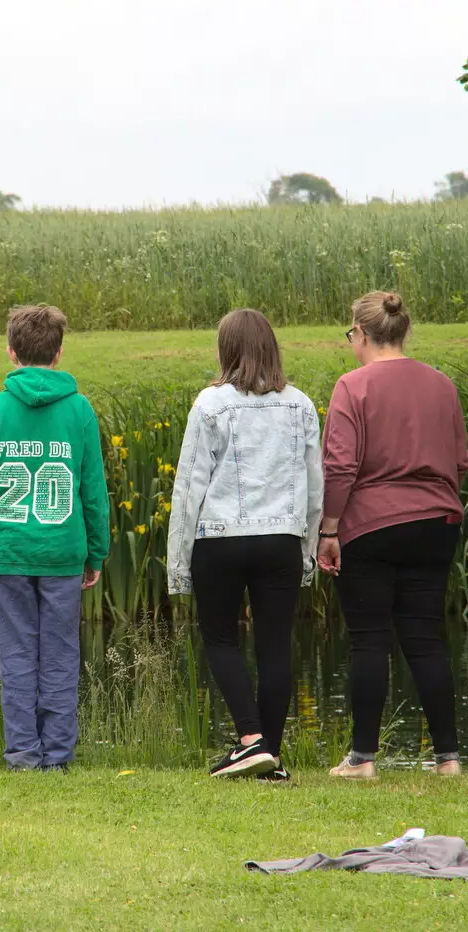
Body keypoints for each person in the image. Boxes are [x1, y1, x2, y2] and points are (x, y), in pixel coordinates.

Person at [166, 309, 321, 781]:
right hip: (281, 541)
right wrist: (308, 550)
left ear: (226, 350)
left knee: (219, 637)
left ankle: (251, 741)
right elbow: (315, 485)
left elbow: (189, 486)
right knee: (275, 644)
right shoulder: (300, 405)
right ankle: (270, 755)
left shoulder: (211, 405)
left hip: (221, 538)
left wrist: (178, 564)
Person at [318, 292, 468, 779]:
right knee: (425, 638)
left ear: (362, 334)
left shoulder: (351, 386)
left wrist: (329, 528)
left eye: (351, 336)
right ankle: (448, 758)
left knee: (369, 641)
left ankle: (363, 758)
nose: (351, 345)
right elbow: (460, 460)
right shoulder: (442, 384)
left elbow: (340, 467)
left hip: (372, 526)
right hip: (437, 522)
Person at [0, 304, 109, 771]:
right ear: (59, 353)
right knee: (62, 654)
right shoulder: (79, 409)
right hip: (63, 549)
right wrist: (97, 551)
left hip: (8, 550)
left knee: (18, 653)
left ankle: (24, 752)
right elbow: (92, 489)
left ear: (11, 351)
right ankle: (59, 753)